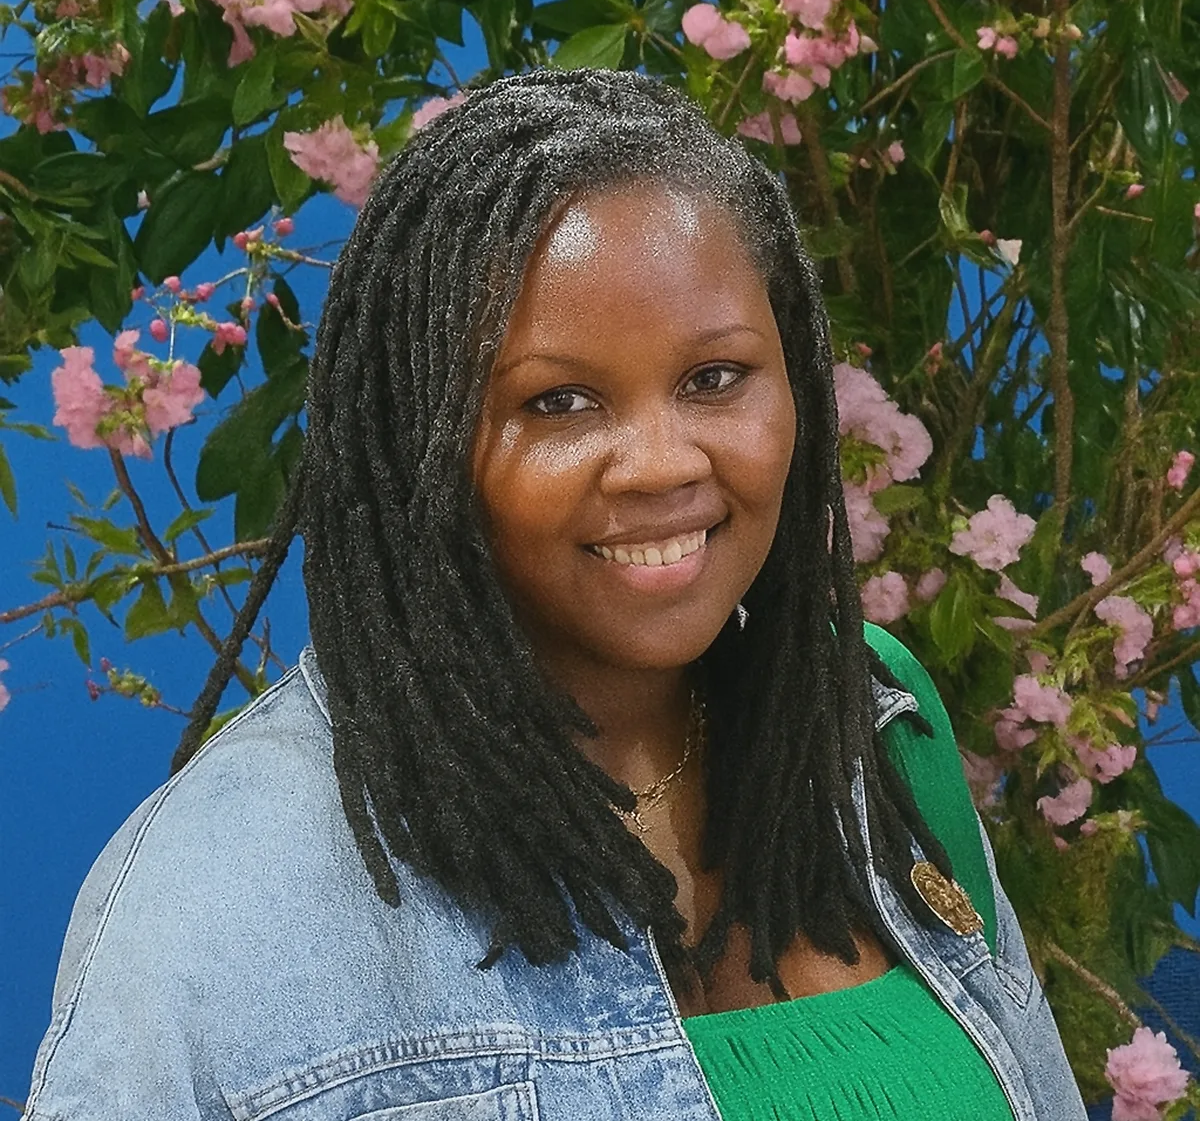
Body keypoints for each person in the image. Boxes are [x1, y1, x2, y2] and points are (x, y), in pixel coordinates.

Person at [24, 69, 1087, 1121]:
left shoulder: (869, 728)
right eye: (560, 399)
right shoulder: (221, 893)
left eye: (715, 377)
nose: (662, 462)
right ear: (420, 444)